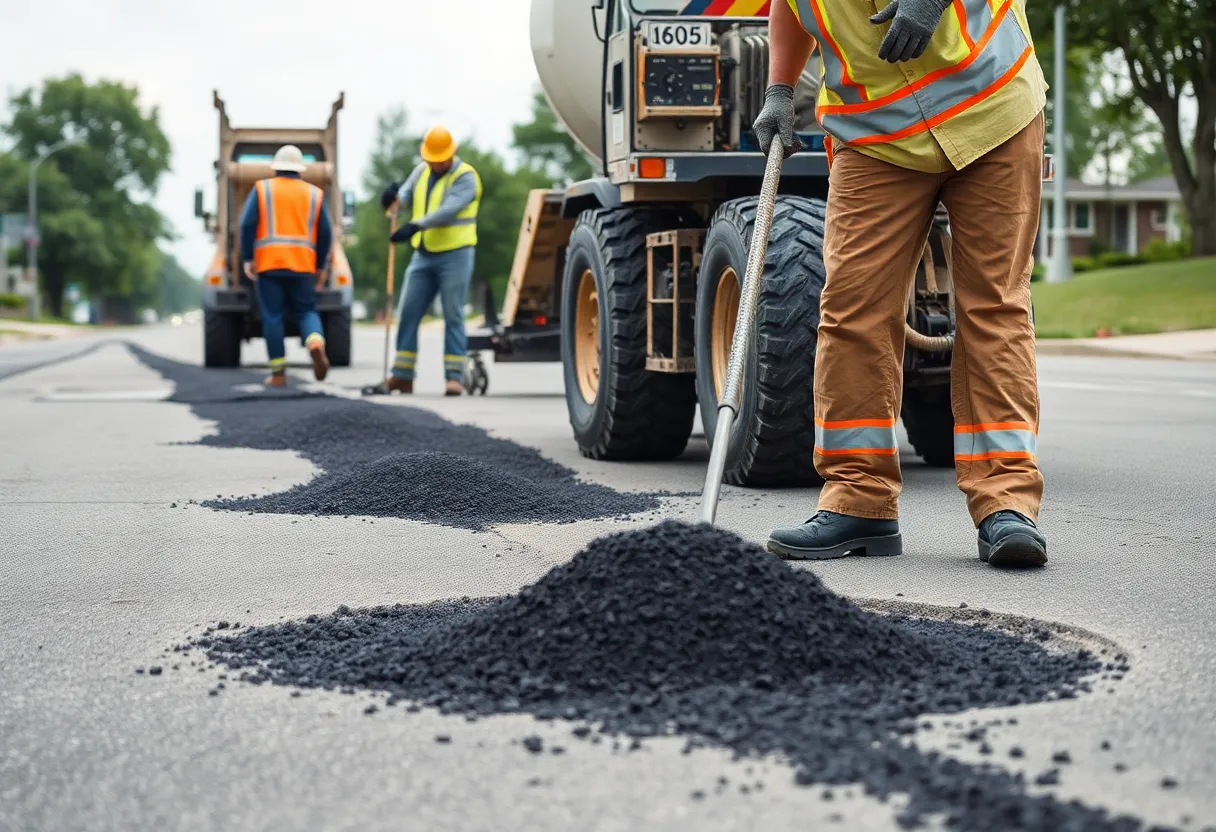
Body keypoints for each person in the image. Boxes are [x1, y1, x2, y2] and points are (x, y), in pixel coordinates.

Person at [758, 0, 1049, 568]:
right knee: (852, 312)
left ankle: (1006, 503)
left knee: (994, 306)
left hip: (988, 104)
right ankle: (857, 502)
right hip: (875, 136)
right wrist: (778, 88)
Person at [378, 125, 482, 396]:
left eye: (440, 159)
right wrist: (392, 200)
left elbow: (448, 210)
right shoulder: (421, 171)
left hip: (456, 253)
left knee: (453, 313)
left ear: (451, 153)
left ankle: (454, 377)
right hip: (423, 255)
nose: (436, 164)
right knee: (408, 311)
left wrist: (415, 225)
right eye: (432, 159)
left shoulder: (466, 177)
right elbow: (403, 199)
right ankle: (401, 375)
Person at [239, 144, 332, 387]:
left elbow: (247, 224)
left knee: (273, 316)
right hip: (303, 265)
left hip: (269, 265)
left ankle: (279, 374)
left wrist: (248, 258)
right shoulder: (315, 194)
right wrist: (320, 266)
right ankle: (315, 343)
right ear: (299, 168)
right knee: (306, 311)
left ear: (276, 167)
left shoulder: (262, 189)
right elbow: (326, 233)